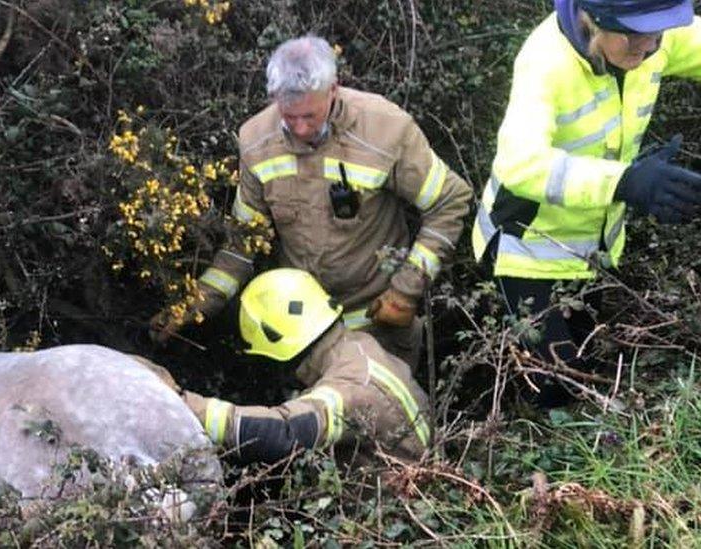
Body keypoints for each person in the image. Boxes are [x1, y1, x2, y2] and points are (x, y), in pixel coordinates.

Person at [150, 35, 473, 369]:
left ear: (334, 89)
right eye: (290, 116)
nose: (301, 128)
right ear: (275, 97)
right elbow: (244, 243)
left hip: (378, 327)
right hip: (301, 337)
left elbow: (450, 201)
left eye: (311, 115)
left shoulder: (385, 129)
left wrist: (406, 289)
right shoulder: (256, 141)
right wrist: (196, 304)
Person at [471, 0, 701, 405]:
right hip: (526, 252)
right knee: (556, 387)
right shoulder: (545, 61)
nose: (648, 47)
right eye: (634, 35)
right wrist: (625, 183)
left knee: (585, 366)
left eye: (658, 33)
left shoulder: (649, 37)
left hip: (590, 251)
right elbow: (519, 164)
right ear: (591, 21)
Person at [152, 268, 431, 464]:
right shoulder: (358, 346)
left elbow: (285, 433)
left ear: (278, 344)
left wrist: (180, 404)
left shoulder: (349, 391)